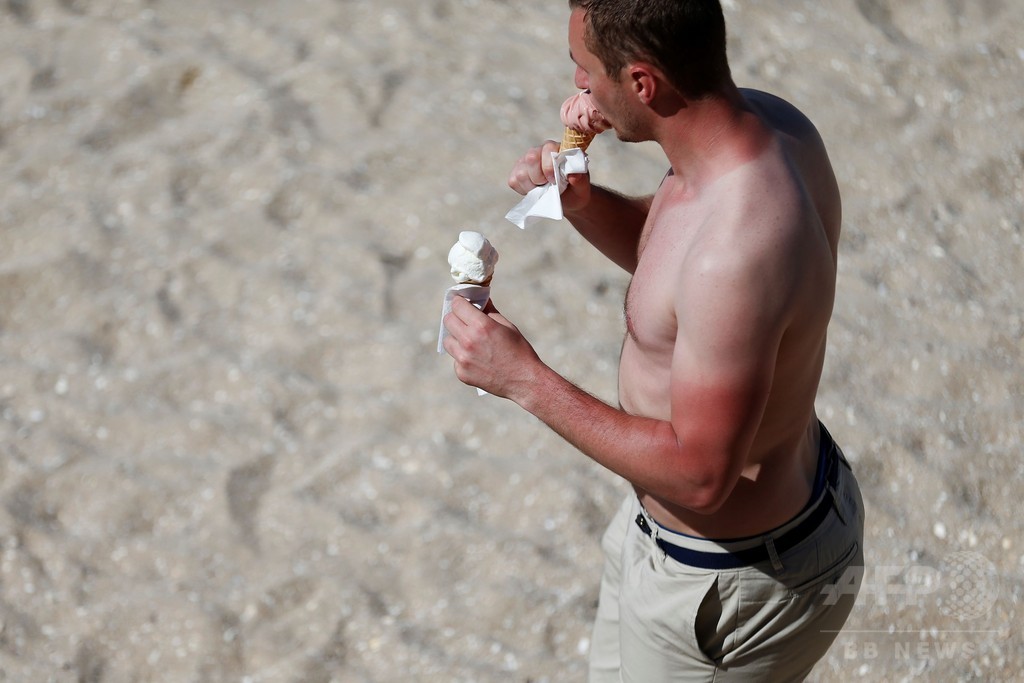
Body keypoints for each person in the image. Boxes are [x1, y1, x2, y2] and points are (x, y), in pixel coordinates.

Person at [442, 0, 865, 680]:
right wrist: (583, 204)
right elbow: (676, 263)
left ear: (642, 83)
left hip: (729, 581)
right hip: (689, 543)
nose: (576, 93)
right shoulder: (768, 128)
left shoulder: (739, 243)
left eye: (586, 73)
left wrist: (522, 377)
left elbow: (701, 474)